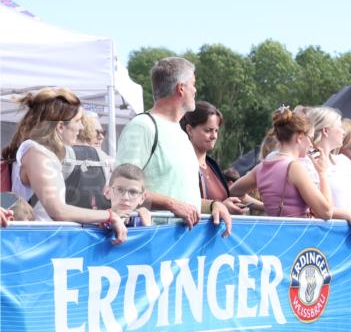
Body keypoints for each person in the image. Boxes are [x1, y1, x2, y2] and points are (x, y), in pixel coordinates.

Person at [116, 57, 231, 237]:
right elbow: (121, 189)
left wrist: (212, 205)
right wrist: (170, 204)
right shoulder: (142, 127)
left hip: (180, 250)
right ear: (181, 88)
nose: (195, 90)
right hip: (153, 244)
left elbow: (183, 199)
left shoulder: (181, 135)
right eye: (193, 84)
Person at [1, 87, 127, 243]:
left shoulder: (41, 152)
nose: (81, 127)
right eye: (78, 121)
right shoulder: (35, 152)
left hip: (43, 244)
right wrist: (109, 215)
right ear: (60, 126)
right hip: (37, 246)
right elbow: (58, 210)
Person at [180, 101, 246, 216]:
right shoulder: (181, 164)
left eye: (216, 131)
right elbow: (181, 201)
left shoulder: (213, 166)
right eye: (208, 130)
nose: (214, 136)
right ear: (190, 130)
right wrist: (218, 205)